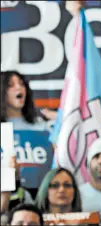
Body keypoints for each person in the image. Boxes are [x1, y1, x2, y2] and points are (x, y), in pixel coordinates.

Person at [0, 70, 54, 199]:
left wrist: (59, 119)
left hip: (42, 197)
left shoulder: (43, 126)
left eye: (21, 84)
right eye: (11, 85)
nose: (19, 87)